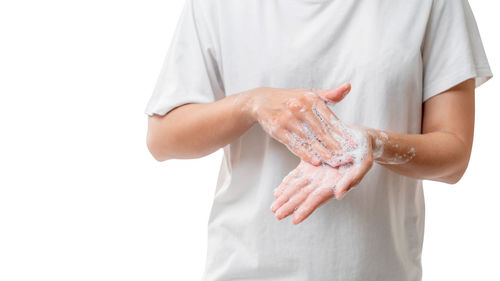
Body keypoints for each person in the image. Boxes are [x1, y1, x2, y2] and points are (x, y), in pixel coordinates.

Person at [144, 0, 492, 280]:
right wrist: (251, 104)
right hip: (245, 267)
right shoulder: (218, 6)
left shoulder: (432, 4)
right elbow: (163, 136)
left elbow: (454, 154)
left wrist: (374, 143)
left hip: (377, 272)